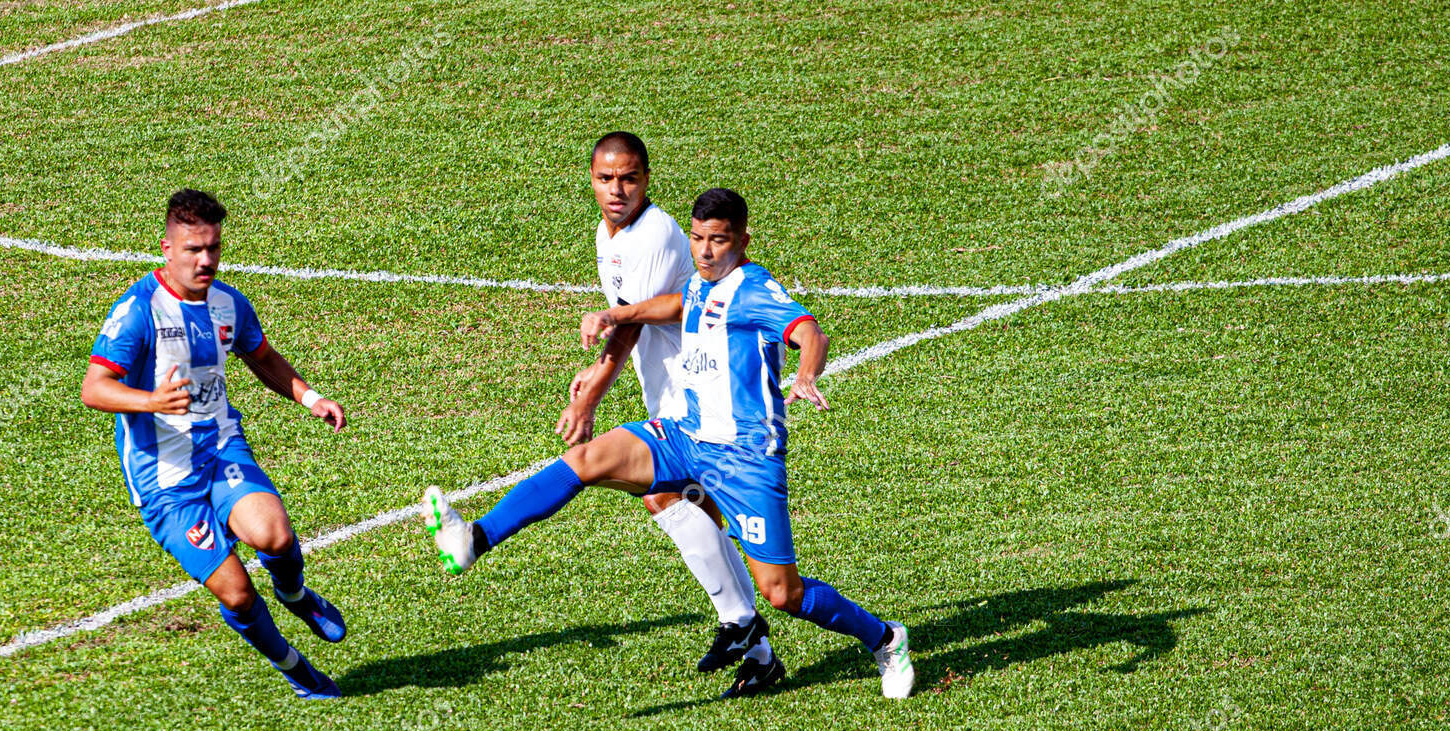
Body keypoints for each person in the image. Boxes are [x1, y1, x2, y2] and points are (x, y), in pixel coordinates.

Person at [424, 188, 914, 699]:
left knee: (783, 593)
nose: (704, 251)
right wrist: (619, 315)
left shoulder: (754, 289)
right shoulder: (704, 284)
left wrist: (807, 375)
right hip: (686, 435)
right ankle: (475, 538)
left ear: (743, 240)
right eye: (699, 238)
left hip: (744, 459)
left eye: (718, 241)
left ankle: (884, 638)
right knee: (586, 459)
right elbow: (680, 303)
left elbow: (809, 330)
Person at [82, 188, 348, 698]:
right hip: (165, 481)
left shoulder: (228, 303)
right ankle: (297, 668)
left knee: (272, 535)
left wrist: (309, 397)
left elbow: (262, 356)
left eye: (213, 248)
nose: (205, 260)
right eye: (193, 250)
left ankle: (295, 594)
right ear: (166, 248)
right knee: (237, 592)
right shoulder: (137, 311)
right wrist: (151, 402)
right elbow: (94, 388)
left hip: (222, 447)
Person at [558, 132, 779, 679]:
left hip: (696, 390)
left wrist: (591, 397)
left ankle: (745, 621)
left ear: (646, 180)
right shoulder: (608, 235)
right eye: (606, 179)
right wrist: (596, 369)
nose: (617, 190)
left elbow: (631, 325)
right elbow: (625, 318)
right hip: (670, 385)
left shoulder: (652, 234)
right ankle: (755, 647)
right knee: (688, 506)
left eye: (629, 178)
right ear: (590, 180)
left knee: (665, 497)